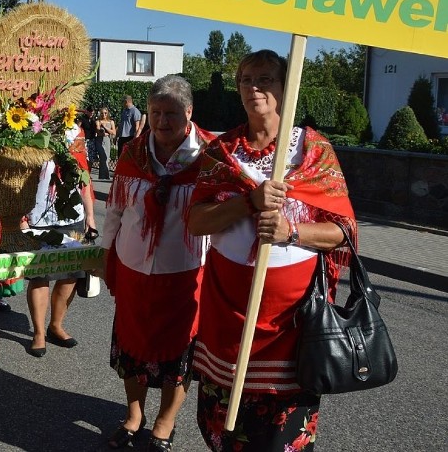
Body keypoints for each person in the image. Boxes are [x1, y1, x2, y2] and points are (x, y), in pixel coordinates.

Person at [187, 50, 356, 451]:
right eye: (246, 79)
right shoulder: (221, 152)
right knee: (224, 422)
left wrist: (291, 231)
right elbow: (196, 222)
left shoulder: (312, 150)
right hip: (228, 308)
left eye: (266, 79)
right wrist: (249, 202)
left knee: (283, 432)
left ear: (287, 87)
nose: (254, 88)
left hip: (292, 319)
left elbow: (343, 232)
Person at [102, 75, 216, 451]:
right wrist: (105, 256)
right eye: (155, 113)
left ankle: (165, 424)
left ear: (189, 113)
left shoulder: (212, 157)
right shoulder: (133, 154)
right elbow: (116, 210)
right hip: (134, 272)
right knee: (131, 351)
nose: (162, 121)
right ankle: (134, 415)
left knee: (177, 356)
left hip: (187, 277)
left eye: (170, 113)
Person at [22, 122, 98, 358]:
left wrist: (91, 216)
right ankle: (38, 333)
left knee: (70, 275)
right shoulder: (29, 127)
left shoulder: (74, 130)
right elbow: (18, 176)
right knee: (40, 276)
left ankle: (56, 325)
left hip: (72, 215)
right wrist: (20, 216)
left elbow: (83, 176)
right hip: (37, 216)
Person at [95, 107, 117, 180]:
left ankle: (105, 176)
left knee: (107, 158)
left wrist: (105, 127)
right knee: (103, 157)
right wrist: (104, 132)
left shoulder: (111, 122)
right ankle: (103, 175)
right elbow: (98, 131)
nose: (103, 114)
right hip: (99, 140)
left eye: (105, 113)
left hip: (107, 140)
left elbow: (114, 132)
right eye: (102, 113)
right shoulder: (98, 121)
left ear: (107, 114)